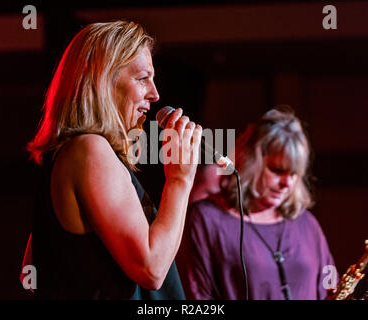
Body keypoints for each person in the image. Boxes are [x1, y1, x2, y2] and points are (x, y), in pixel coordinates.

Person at [24, 20, 202, 299]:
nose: (155, 94)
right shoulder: (91, 150)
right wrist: (180, 179)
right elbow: (152, 269)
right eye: (143, 78)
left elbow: (31, 269)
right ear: (102, 80)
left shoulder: (67, 153)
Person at [176, 106, 337, 300]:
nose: (287, 183)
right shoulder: (206, 219)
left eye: (294, 174)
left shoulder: (307, 224)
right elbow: (197, 295)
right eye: (277, 170)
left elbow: (330, 281)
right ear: (250, 160)